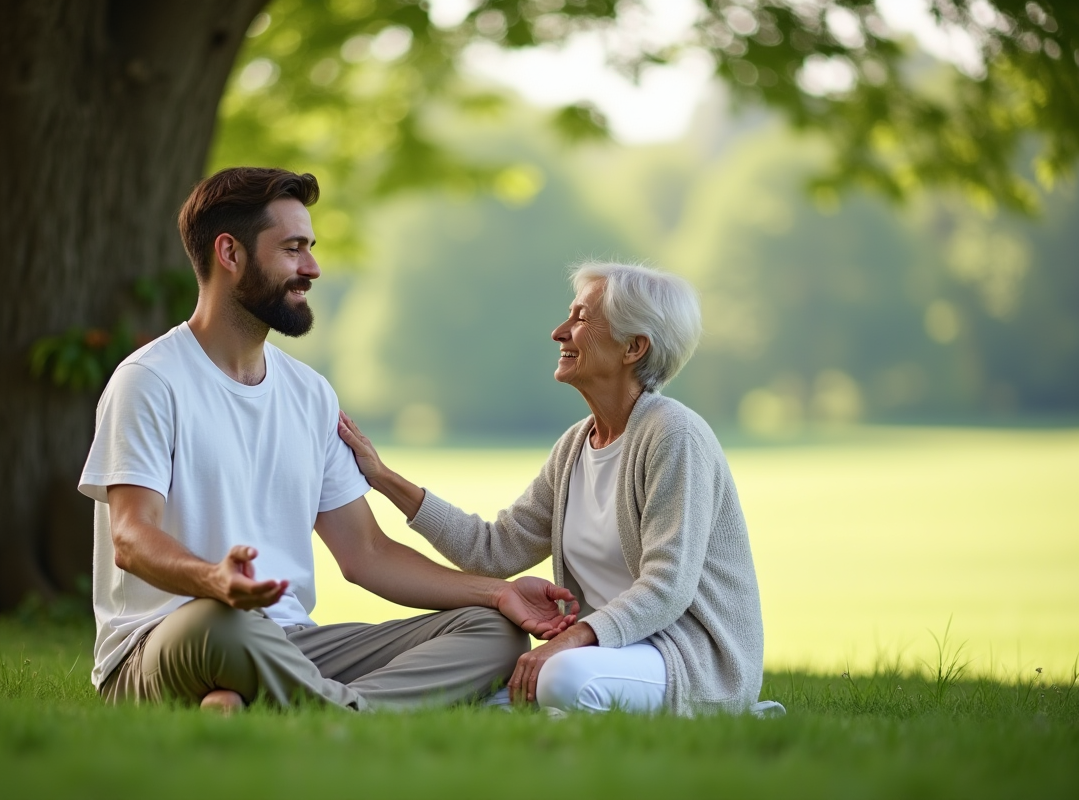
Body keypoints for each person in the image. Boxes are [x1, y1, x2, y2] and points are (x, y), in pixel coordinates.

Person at [79, 167, 578, 713]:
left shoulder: (308, 392)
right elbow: (130, 537)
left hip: (292, 642)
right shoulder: (151, 380)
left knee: (493, 632)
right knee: (226, 628)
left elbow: (366, 553)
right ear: (230, 253)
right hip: (172, 637)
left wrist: (498, 592)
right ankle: (338, 709)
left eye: (310, 249)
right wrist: (214, 580)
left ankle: (301, 705)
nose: (311, 268)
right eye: (293, 249)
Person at [339, 262, 779, 716]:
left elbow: (667, 587)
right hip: (609, 654)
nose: (559, 331)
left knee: (561, 676)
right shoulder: (575, 445)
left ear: (634, 347)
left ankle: (565, 708)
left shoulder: (674, 435)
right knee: (473, 696)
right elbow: (493, 550)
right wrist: (384, 478)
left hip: (686, 660)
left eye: (581, 319)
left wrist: (568, 643)